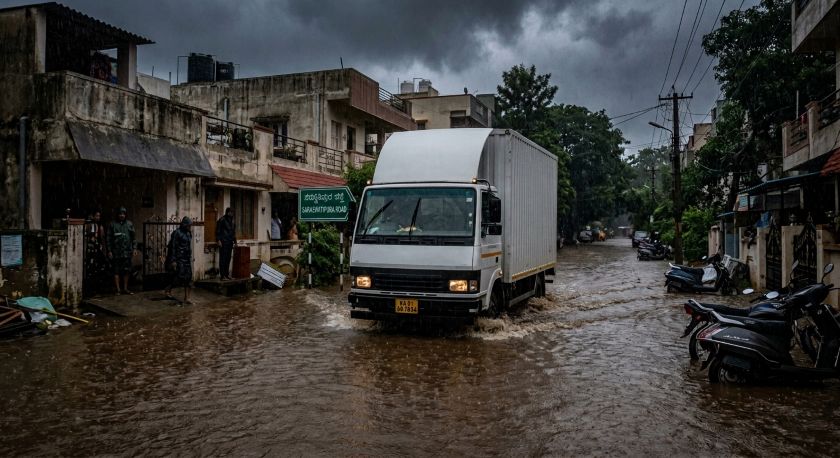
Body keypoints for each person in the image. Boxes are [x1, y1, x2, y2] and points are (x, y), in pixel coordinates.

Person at [106, 207, 135, 295]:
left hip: (127, 251)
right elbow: (108, 238)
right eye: (120, 214)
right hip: (116, 252)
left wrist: (134, 248)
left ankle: (125, 288)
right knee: (116, 270)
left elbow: (133, 237)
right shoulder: (112, 224)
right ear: (117, 215)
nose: (122, 215)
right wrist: (109, 250)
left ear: (125, 215)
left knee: (127, 270)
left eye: (123, 214)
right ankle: (118, 289)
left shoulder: (129, 224)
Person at [164, 216, 193, 304]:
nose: (189, 227)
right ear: (184, 225)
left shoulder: (188, 233)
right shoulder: (177, 233)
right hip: (179, 258)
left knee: (188, 278)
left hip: (186, 258)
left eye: (190, 225)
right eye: (188, 225)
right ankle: (168, 289)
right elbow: (172, 247)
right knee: (178, 277)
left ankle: (187, 298)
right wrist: (173, 260)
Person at [216, 207, 236, 280]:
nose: (232, 214)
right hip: (223, 242)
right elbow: (218, 231)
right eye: (230, 212)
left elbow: (233, 232)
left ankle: (227, 274)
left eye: (232, 212)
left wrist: (235, 241)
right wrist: (218, 240)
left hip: (230, 242)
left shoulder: (232, 221)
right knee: (223, 259)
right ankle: (222, 275)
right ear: (227, 212)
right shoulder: (222, 220)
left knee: (228, 259)